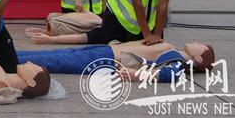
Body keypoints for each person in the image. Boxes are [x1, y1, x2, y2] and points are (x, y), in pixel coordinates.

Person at [16, 39, 214, 82]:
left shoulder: (178, 61)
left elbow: (170, 74)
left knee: (51, 60)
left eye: (201, 46)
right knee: (54, 54)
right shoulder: (173, 50)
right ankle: (6, 54)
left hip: (107, 59)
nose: (196, 42)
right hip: (107, 50)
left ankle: (6, 60)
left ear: (198, 58)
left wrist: (137, 75)